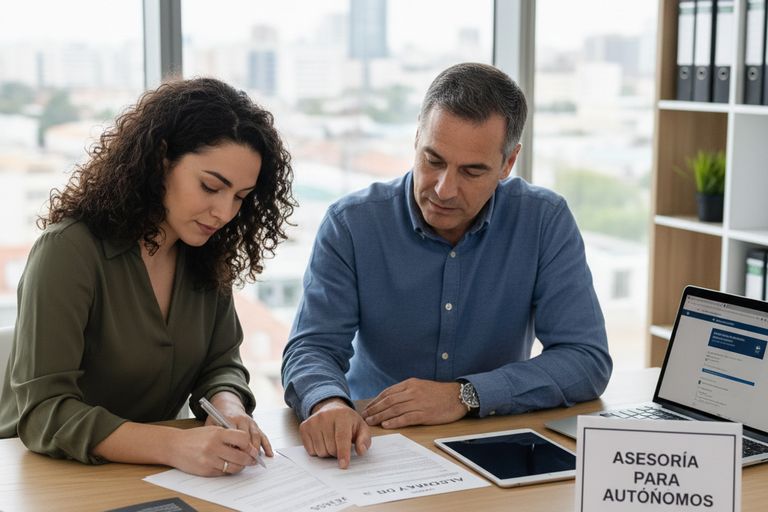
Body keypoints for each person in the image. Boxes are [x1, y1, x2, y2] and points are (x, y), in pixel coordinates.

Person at [281, 62, 612, 468]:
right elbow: (312, 347)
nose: (444, 189)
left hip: (493, 441)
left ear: (508, 164)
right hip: (373, 446)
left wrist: (465, 395)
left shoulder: (544, 220)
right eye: (433, 160)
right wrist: (328, 403)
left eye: (472, 171)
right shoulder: (352, 224)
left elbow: (586, 360)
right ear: (416, 137)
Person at [0, 77, 296, 477]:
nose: (225, 213)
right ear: (160, 159)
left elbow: (220, 362)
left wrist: (227, 406)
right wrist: (174, 445)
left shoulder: (205, 255)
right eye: (211, 186)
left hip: (143, 475)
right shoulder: (69, 250)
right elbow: (43, 412)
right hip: (40, 474)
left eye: (240, 197)